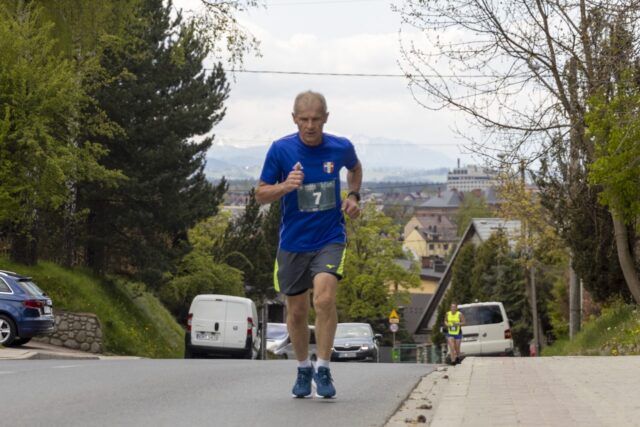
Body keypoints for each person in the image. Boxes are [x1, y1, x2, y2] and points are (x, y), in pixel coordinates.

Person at [255, 90, 362, 399]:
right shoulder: (281, 150)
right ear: (294, 119)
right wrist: (285, 186)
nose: (311, 125)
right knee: (297, 310)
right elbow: (260, 193)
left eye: (316, 119)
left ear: (326, 118)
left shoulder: (340, 147)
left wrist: (354, 196)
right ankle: (304, 368)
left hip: (330, 237)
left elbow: (355, 169)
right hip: (293, 242)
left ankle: (324, 366)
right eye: (304, 120)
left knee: (325, 300)